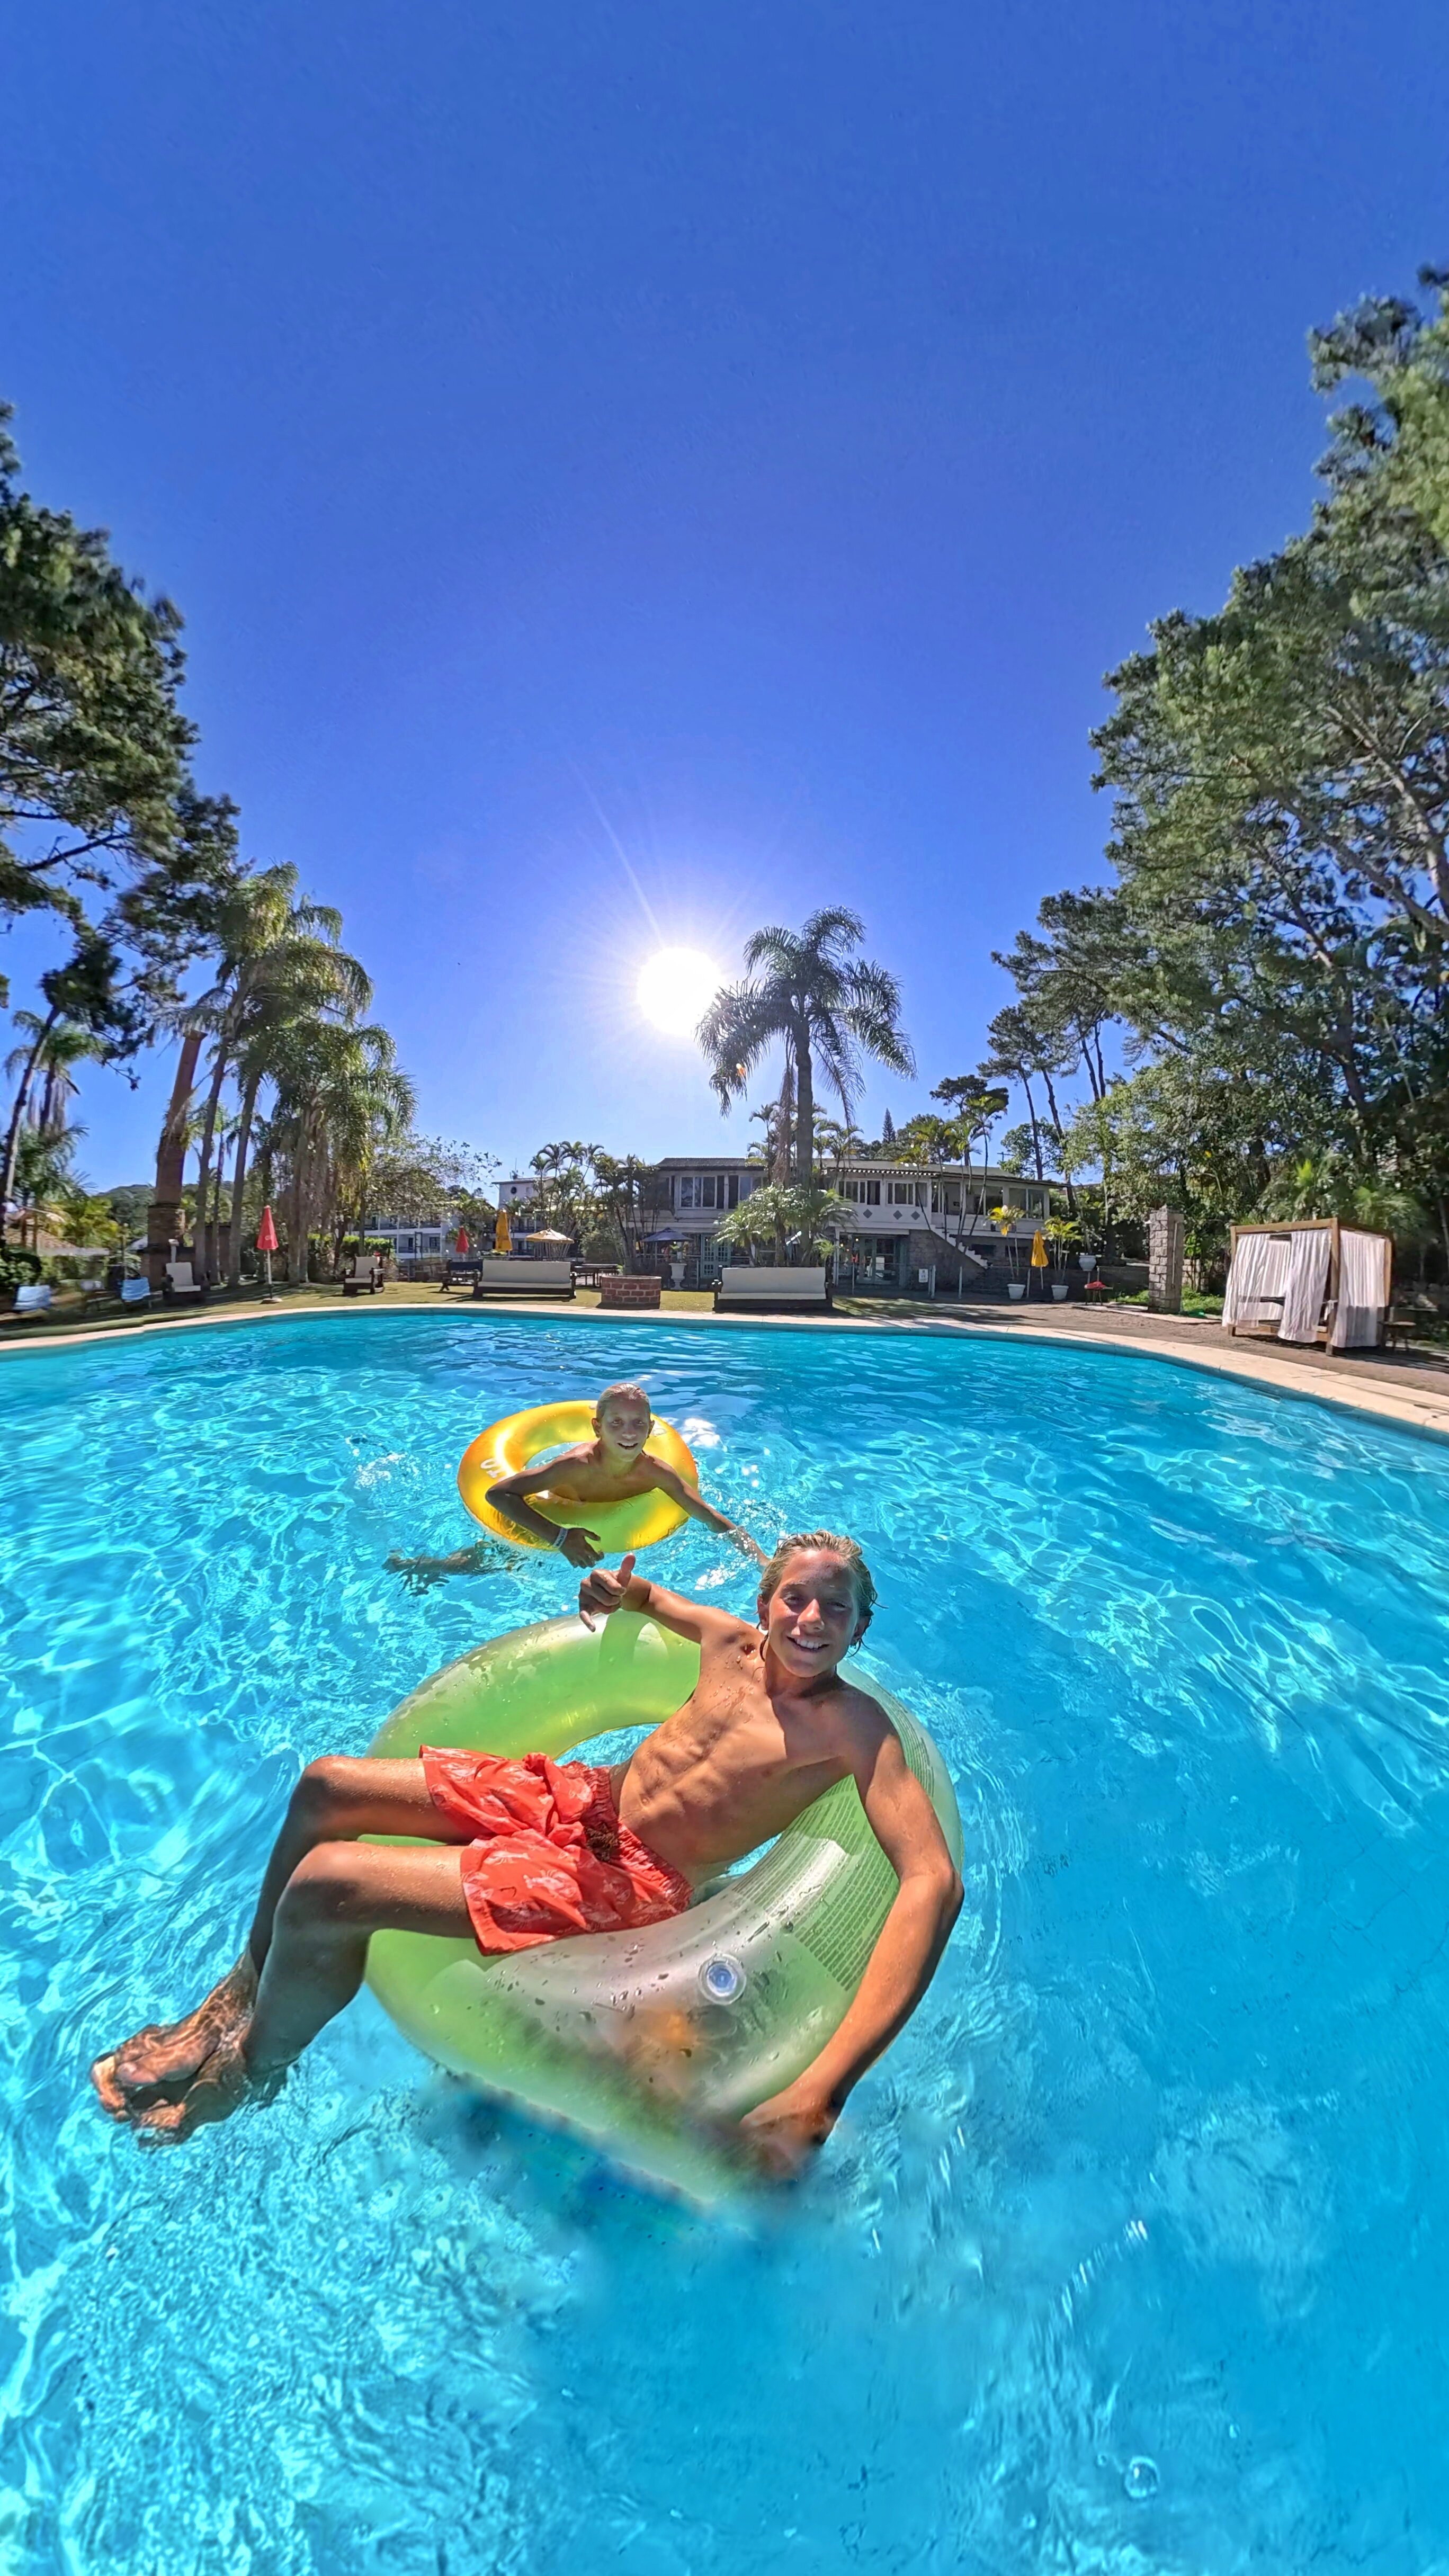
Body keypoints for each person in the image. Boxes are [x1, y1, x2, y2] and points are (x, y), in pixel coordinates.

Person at [91, 1532, 962, 2172]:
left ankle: (251, 2069)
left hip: (627, 1877)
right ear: (765, 1600)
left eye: (835, 1605)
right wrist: (614, 1590)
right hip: (575, 1795)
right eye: (795, 1597)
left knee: (330, 1885)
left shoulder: (854, 1729)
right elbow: (653, 1597)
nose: (811, 1617)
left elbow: (934, 1878)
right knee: (325, 1784)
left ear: (860, 1628)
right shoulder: (729, 1644)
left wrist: (829, 2085)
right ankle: (238, 1988)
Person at [387, 1380, 763, 1590]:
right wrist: (559, 1537)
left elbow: (709, 1516)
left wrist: (761, 1560)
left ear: (651, 1429)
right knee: (490, 1563)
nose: (628, 1434)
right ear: (598, 1427)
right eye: (616, 1423)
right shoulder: (573, 1466)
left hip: (598, 1542)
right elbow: (498, 1494)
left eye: (637, 1425)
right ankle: (424, 1566)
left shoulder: (656, 1472)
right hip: (549, 1526)